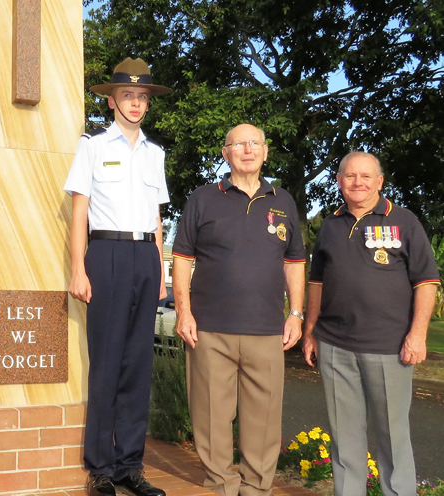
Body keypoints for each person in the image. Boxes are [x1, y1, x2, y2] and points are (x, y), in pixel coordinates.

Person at [171, 124, 306, 496]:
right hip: (210, 329)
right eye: (239, 144)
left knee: (264, 418)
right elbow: (181, 257)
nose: (248, 149)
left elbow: (295, 261)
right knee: (211, 415)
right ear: (225, 153)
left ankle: (256, 488)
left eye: (255, 143)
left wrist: (295, 314)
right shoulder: (202, 198)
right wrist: (183, 311)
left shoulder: (283, 201)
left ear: (265, 152)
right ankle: (221, 484)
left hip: (267, 329)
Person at [303, 151, 439, 496]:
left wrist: (418, 334)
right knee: (344, 437)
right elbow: (316, 282)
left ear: (379, 182)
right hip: (334, 345)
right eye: (350, 176)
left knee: (392, 436)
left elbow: (426, 281)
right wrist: (310, 332)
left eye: (366, 176)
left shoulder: (404, 220)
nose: (358, 182)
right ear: (339, 182)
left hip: (388, 347)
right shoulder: (330, 224)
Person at [65, 57, 171, 496]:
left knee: (138, 365)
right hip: (106, 253)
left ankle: (130, 465)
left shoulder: (155, 153)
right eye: (128, 95)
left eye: (142, 96)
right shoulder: (93, 146)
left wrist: (160, 271)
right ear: (111, 101)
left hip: (146, 255)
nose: (136, 103)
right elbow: (79, 212)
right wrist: (78, 267)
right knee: (107, 363)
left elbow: (157, 218)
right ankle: (101, 468)